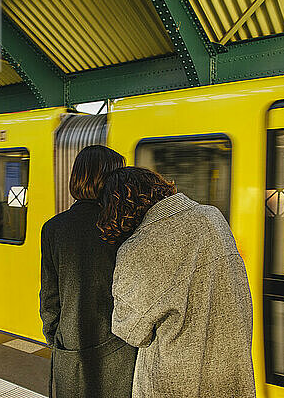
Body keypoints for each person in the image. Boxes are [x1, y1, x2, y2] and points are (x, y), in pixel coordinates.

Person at [97, 167, 255, 398]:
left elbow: (130, 331)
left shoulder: (138, 249)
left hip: (176, 385)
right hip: (230, 375)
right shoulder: (212, 216)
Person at [39, 146, 137, 398]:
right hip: (121, 345)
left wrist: (56, 336)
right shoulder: (125, 225)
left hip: (72, 343)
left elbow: (50, 297)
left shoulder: (53, 228)